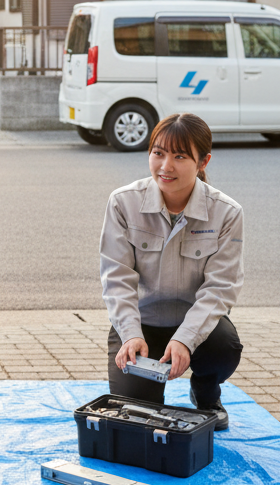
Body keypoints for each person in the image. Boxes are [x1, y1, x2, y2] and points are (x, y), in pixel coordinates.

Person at [99, 113, 244, 430]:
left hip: (197, 324)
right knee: (136, 415)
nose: (166, 166)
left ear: (203, 161)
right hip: (142, 324)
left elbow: (220, 289)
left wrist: (186, 340)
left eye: (180, 156)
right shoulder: (123, 203)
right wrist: (130, 334)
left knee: (225, 349)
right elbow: (117, 278)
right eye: (158, 153)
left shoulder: (227, 212)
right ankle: (143, 380)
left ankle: (206, 393)